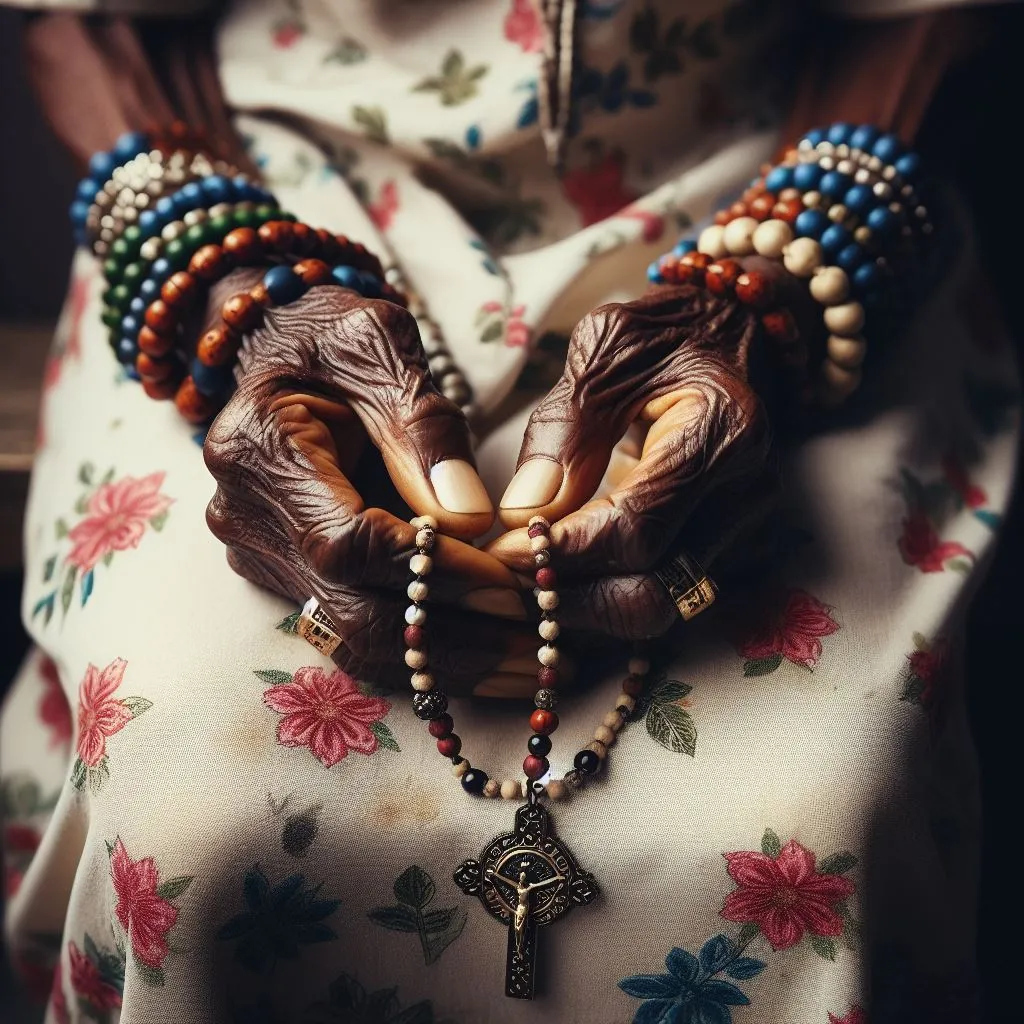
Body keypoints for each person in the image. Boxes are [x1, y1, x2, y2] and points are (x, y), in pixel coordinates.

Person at [0, 1, 1017, 1021]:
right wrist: (222, 275)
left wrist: (776, 285)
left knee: (824, 802)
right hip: (240, 206)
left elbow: (928, 22)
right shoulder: (224, 249)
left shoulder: (794, 242)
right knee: (190, 809)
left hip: (790, 194)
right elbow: (81, 25)